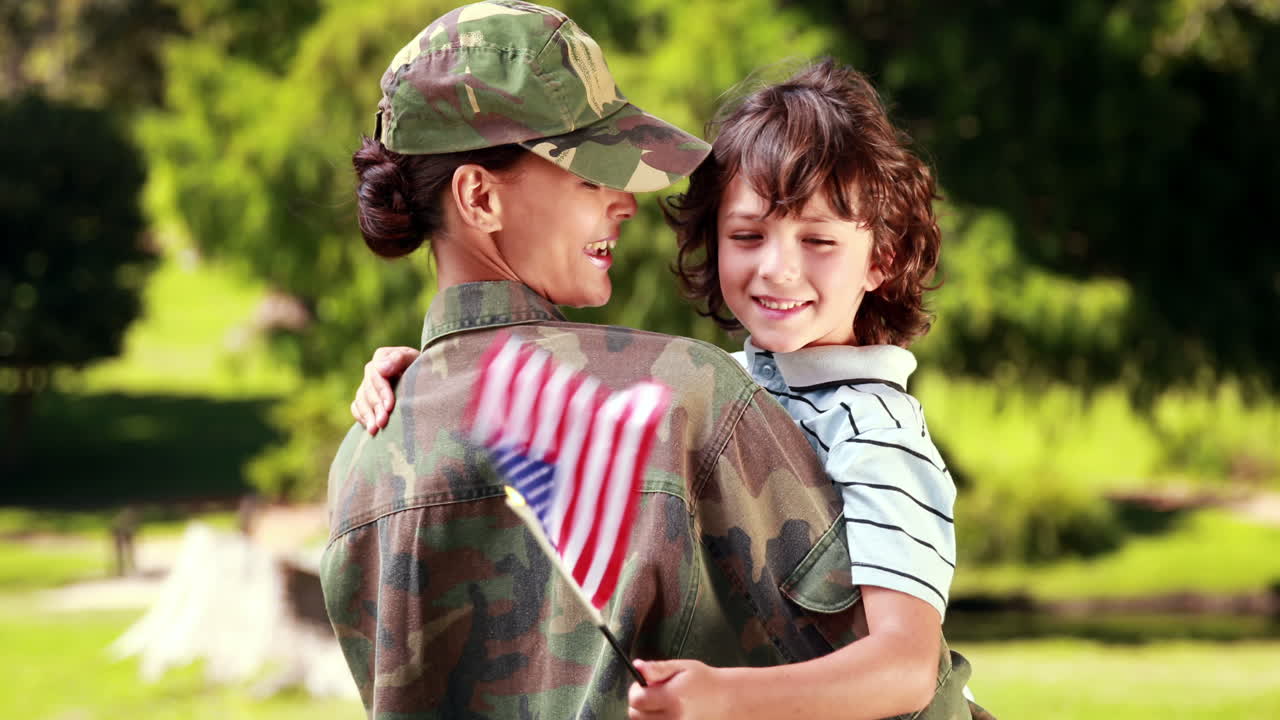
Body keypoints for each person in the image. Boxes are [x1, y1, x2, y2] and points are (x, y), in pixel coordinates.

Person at [323, 2, 974, 719]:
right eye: (588, 174)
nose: (627, 200)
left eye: (818, 241)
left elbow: (900, 661)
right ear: (479, 196)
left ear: (878, 260)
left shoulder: (365, 457)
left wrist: (441, 375)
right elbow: (920, 700)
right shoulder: (695, 397)